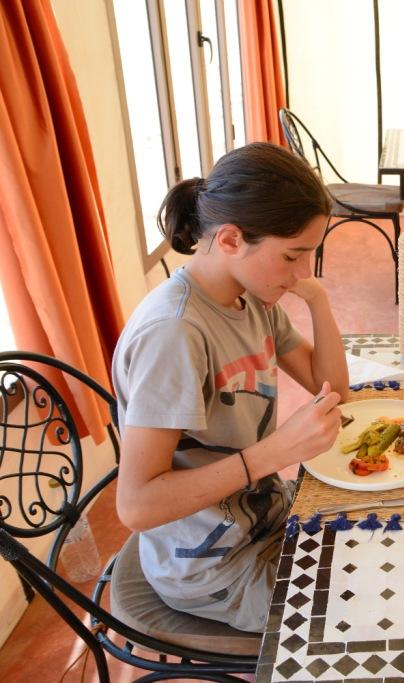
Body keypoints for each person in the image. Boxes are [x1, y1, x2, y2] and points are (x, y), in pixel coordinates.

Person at [112, 142, 349, 631]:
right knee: (364, 615)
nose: (302, 272)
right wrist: (274, 452)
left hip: (265, 515)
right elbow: (136, 506)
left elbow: (331, 390)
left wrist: (318, 303)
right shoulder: (175, 333)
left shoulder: (252, 297)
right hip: (213, 566)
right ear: (229, 240)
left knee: (394, 536)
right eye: (292, 256)